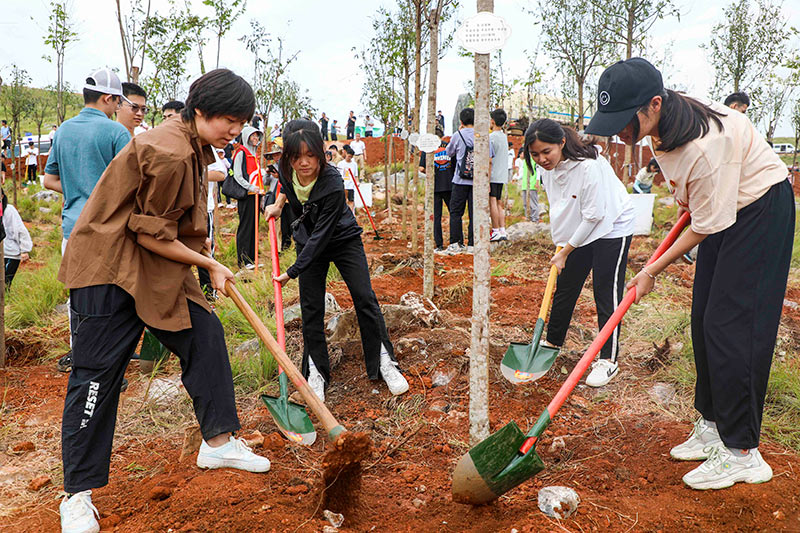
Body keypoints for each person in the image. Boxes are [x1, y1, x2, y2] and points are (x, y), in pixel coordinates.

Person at [56, 69, 271, 533]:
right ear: (200, 111)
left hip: (153, 266)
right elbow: (147, 232)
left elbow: (171, 224)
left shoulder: (194, 146)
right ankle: (76, 495)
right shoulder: (172, 151)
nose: (235, 129)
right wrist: (208, 264)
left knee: (205, 335)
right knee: (97, 376)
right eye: (228, 120)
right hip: (109, 269)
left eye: (241, 120)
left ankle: (217, 443)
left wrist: (203, 253)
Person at [588, 57, 793, 491]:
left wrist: (650, 270)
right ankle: (714, 424)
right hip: (725, 207)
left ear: (655, 104)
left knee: (733, 326)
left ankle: (742, 453)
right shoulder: (667, 128)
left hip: (759, 209)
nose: (620, 132)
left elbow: (703, 224)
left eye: (625, 121)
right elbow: (697, 206)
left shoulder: (702, 145)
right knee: (703, 320)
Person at [265, 119, 408, 402]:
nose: (304, 163)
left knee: (364, 297)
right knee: (311, 308)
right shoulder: (285, 169)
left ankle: (384, 360)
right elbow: (284, 184)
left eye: (311, 155)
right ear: (289, 156)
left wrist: (293, 271)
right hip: (308, 241)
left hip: (341, 239)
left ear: (320, 153)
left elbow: (322, 236)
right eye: (297, 156)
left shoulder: (331, 181)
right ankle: (316, 371)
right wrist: (279, 204)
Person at [525, 118, 635, 388]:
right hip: (583, 226)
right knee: (566, 285)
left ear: (561, 143)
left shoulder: (589, 167)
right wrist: (563, 244)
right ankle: (552, 341)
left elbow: (595, 215)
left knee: (605, 290)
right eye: (535, 154)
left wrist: (566, 251)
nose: (541, 159)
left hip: (613, 225)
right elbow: (561, 208)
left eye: (546, 151)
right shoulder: (547, 170)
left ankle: (608, 360)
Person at [44, 68, 131, 375]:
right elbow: (132, 183)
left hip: (73, 227)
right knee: (110, 296)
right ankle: (107, 363)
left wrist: (77, 189)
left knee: (78, 296)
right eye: (118, 102)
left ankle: (80, 355)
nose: (119, 107)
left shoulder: (64, 130)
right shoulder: (116, 132)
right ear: (108, 98)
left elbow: (48, 179)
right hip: (108, 230)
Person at [445, 107, 493, 255]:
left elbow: (448, 153)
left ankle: (456, 243)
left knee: (455, 212)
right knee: (475, 214)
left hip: (459, 181)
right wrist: (488, 182)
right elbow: (489, 158)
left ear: (461, 121)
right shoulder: (484, 136)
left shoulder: (457, 135)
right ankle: (473, 244)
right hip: (477, 182)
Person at [232, 126, 265, 268]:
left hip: (256, 195)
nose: (255, 138)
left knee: (254, 225)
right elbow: (238, 175)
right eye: (253, 136)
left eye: (257, 136)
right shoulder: (241, 153)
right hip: (246, 195)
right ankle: (243, 260)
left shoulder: (254, 155)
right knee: (246, 226)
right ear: (246, 136)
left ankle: (252, 259)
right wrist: (250, 187)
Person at [197, 148, 228, 298]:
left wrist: (196, 174)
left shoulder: (205, 147)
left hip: (202, 209)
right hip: (181, 210)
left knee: (205, 253)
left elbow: (221, 173)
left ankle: (210, 295)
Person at [419, 133, 454, 253]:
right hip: (450, 185)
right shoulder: (448, 146)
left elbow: (421, 169)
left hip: (434, 187)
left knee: (436, 217)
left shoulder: (427, 149)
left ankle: (439, 244)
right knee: (454, 215)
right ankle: (455, 241)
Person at [2, 190, 32, 289]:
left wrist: (24, 250)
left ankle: (5, 302)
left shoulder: (9, 210)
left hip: (10, 253)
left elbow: (20, 229)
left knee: (5, 283)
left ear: (2, 196)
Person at [489, 108, 509, 242]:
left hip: (493, 175)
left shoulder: (491, 138)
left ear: (492, 121)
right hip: (502, 175)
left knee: (492, 202)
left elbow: (489, 159)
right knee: (499, 203)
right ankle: (502, 230)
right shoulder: (504, 136)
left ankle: (495, 230)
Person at [515, 146, 540, 222]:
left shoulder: (535, 160)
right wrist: (516, 177)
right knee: (525, 202)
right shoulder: (525, 161)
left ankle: (535, 218)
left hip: (532, 184)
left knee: (533, 202)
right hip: (525, 185)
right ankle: (528, 216)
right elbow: (522, 172)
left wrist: (537, 181)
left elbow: (538, 171)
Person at [337, 144, 358, 214]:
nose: (349, 158)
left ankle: (351, 214)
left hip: (351, 185)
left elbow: (356, 175)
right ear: (346, 154)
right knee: (344, 201)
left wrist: (357, 182)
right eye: (348, 156)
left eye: (351, 157)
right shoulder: (340, 164)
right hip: (343, 185)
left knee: (351, 201)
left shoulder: (354, 164)